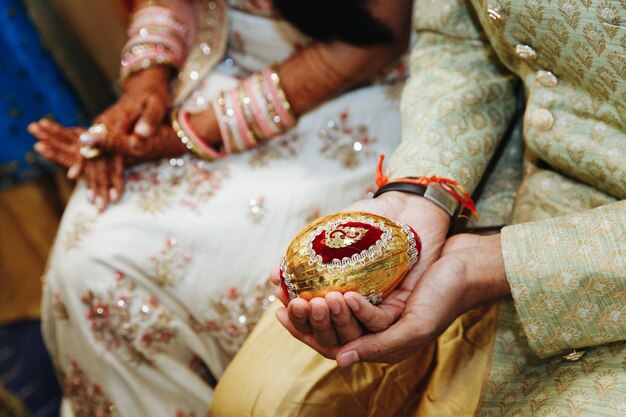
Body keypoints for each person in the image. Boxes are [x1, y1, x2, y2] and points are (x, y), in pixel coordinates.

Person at [211, 0, 626, 416]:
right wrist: (421, 188)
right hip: (499, 180)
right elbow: (456, 39)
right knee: (259, 400)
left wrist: (500, 265)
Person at [28, 0, 415, 414]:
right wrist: (147, 84)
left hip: (351, 96)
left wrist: (184, 135)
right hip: (212, 75)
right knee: (85, 256)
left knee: (288, 284)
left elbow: (374, 35)